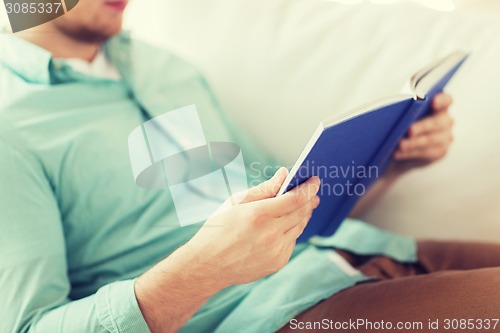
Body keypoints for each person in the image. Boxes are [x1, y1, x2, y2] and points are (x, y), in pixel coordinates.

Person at [1, 1, 497, 333]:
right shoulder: (12, 127)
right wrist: (200, 270)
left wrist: (393, 158)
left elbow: (279, 196)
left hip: (359, 254)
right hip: (278, 315)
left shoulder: (163, 66)